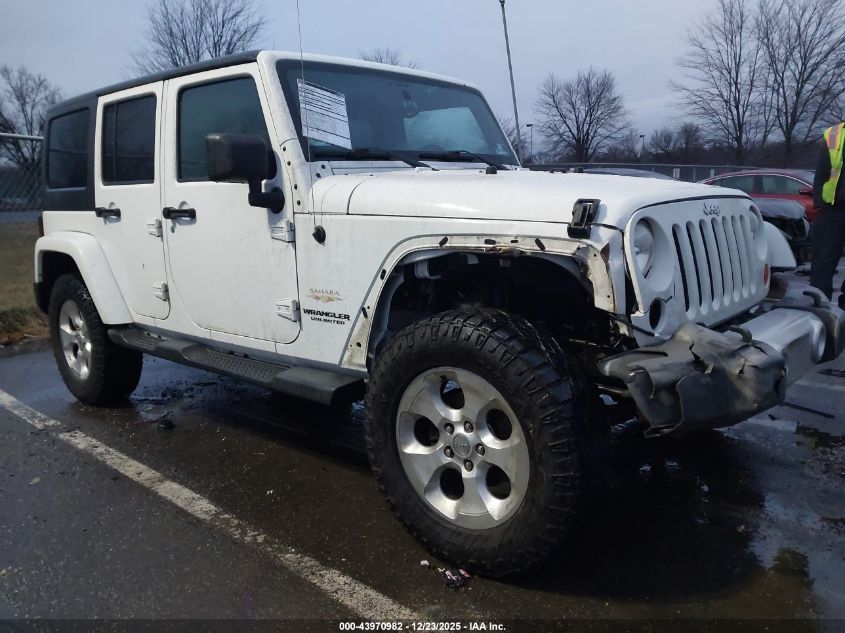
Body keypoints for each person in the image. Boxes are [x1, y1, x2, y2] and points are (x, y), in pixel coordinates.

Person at [810, 121, 845, 308]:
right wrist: (821, 203)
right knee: (823, 259)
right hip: (834, 208)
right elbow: (822, 171)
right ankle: (819, 306)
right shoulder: (835, 134)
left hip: (834, 208)